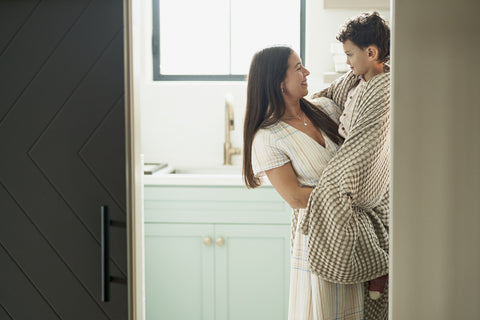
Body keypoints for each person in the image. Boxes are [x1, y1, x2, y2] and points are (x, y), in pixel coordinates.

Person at [243, 46, 365, 320]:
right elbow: (295, 196)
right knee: (325, 310)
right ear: (278, 82)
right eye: (298, 68)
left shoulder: (326, 109)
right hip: (319, 236)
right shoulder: (267, 137)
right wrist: (349, 197)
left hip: (355, 230)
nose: (306, 72)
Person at [300, 11, 391, 320]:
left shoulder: (382, 88)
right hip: (345, 149)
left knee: (369, 224)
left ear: (372, 52)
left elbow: (367, 143)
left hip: (370, 173)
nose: (348, 62)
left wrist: (333, 182)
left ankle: (381, 269)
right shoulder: (355, 80)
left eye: (350, 54)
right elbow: (325, 97)